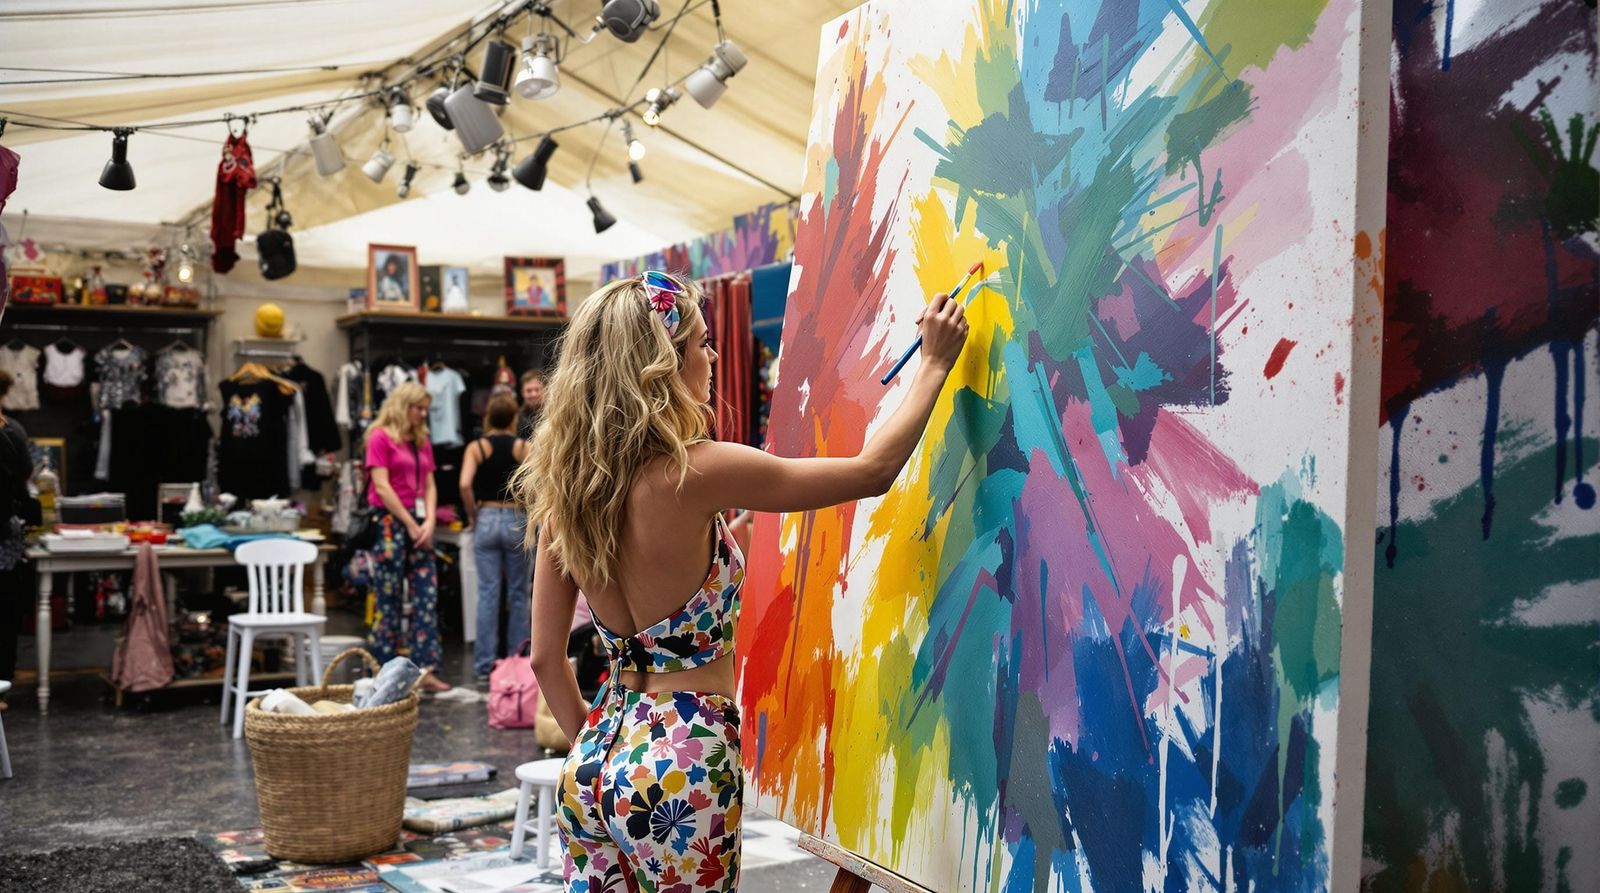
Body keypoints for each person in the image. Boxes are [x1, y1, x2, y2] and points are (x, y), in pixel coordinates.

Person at [513, 270, 968, 892]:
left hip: (595, 757)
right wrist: (935, 364)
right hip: (681, 756)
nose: (714, 354)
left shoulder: (565, 490)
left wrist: (608, 754)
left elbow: (544, 657)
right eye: (701, 343)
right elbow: (872, 470)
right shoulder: (695, 471)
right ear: (661, 368)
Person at [363, 381, 450, 692]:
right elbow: (382, 486)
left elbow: (429, 483)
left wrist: (427, 521)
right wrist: (411, 524)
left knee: (426, 596)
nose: (423, 414)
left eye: (425, 408)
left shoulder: (420, 439)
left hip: (417, 522)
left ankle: (425, 670)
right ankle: (382, 672)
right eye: (418, 408)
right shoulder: (380, 437)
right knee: (388, 598)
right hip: (390, 522)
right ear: (403, 405)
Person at [458, 393, 531, 680]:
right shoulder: (524, 447)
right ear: (514, 418)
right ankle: (517, 660)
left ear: (487, 417)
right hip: (516, 517)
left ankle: (484, 664)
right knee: (518, 594)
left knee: (487, 593)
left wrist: (472, 514)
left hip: (486, 517)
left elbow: (465, 483)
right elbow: (538, 484)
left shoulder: (476, 448)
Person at [0, 368, 39, 711]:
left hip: (3, 531)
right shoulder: (13, 430)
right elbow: (26, 475)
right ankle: (1, 685)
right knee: (5, 610)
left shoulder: (11, 431)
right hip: (4, 529)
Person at [517, 369, 545, 441]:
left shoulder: (553, 417)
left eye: (537, 390)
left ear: (545, 390)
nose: (533, 394)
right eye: (529, 391)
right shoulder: (516, 419)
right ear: (522, 393)